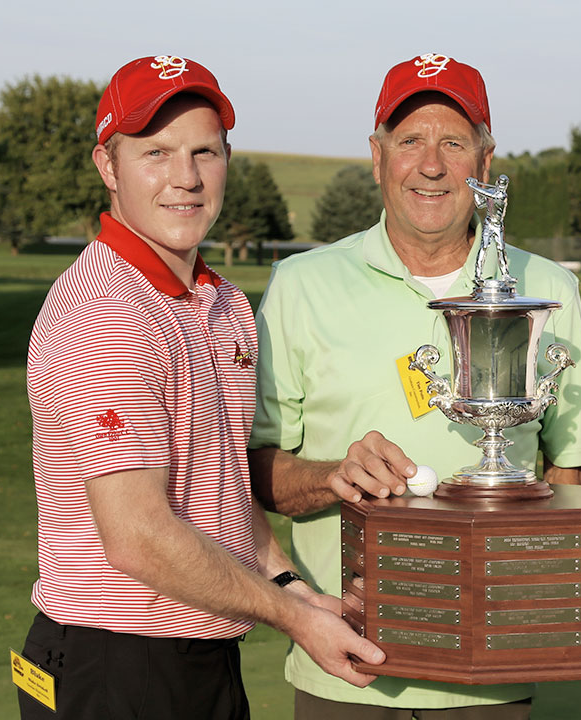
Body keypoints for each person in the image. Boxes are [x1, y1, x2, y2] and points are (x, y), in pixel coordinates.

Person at [20, 55, 383, 720]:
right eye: (155, 153)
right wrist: (295, 621)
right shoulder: (106, 313)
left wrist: (289, 587)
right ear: (108, 167)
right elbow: (138, 536)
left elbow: (219, 486)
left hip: (202, 656)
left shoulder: (222, 304)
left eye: (204, 153)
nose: (185, 179)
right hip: (115, 666)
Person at [249, 52, 581, 719]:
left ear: (486, 163)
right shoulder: (302, 286)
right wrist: (336, 476)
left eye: (453, 143)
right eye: (410, 141)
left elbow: (572, 468)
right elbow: (257, 475)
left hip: (502, 677)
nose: (432, 164)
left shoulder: (547, 289)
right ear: (378, 158)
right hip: (347, 672)